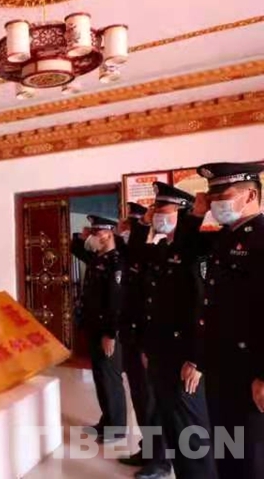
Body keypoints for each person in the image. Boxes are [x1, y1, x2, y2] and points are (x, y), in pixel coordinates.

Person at [180, 162, 264, 478]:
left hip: (250, 370)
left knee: (250, 459)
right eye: (210, 197)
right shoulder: (225, 237)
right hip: (221, 365)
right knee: (228, 451)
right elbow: (184, 252)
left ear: (251, 195)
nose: (215, 203)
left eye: (222, 196)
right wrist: (196, 213)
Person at [135, 182, 216, 478]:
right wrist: (148, 347)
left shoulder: (199, 250)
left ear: (182, 213)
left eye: (162, 208)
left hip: (185, 357)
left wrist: (197, 359)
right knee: (172, 426)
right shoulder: (164, 250)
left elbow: (203, 309)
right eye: (155, 208)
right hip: (163, 353)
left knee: (191, 433)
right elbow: (137, 262)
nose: (156, 213)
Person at [118, 202, 172, 479]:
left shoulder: (159, 253)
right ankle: (148, 449)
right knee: (140, 399)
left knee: (152, 403)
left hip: (148, 340)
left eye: (133, 224)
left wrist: (143, 226)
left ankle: (160, 460)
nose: (125, 229)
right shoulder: (137, 255)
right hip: (133, 336)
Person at [71, 215, 127, 443]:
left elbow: (116, 302)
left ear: (109, 233)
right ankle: (107, 421)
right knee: (100, 377)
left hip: (107, 332)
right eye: (92, 232)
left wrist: (110, 334)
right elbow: (76, 248)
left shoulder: (117, 261)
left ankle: (117, 427)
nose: (93, 236)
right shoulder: (97, 258)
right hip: (94, 327)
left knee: (110, 379)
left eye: (97, 232)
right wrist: (80, 235)